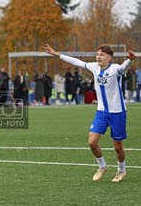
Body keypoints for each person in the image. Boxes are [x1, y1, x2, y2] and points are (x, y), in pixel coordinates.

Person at [44, 43, 136, 182]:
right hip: (101, 112)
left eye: (102, 54)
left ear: (109, 58)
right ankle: (102, 166)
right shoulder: (94, 67)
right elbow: (77, 62)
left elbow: (124, 67)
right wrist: (57, 54)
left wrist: (130, 59)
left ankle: (121, 170)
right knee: (92, 142)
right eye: (98, 54)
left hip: (117, 112)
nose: (99, 56)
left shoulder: (116, 69)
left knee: (118, 147)